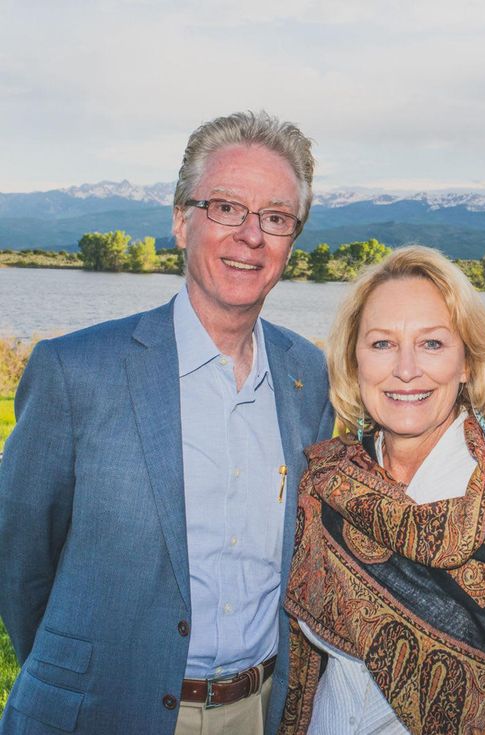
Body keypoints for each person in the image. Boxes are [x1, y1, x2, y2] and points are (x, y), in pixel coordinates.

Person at [0, 111, 334, 734]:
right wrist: (76, 674)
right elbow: (20, 557)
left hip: (258, 711)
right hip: (102, 713)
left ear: (293, 239)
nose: (251, 236)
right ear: (181, 221)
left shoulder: (308, 374)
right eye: (226, 207)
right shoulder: (76, 372)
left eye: (275, 217)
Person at [276, 246, 485, 735]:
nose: (406, 369)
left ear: (466, 362)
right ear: (354, 360)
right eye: (382, 343)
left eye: (432, 343)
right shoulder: (326, 480)